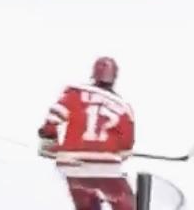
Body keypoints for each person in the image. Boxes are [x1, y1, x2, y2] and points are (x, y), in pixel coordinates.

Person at [38, 57, 136, 210]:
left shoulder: (75, 92)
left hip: (72, 164)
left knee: (87, 204)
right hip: (105, 167)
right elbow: (126, 145)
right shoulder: (123, 107)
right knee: (125, 202)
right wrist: (119, 154)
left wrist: (49, 141)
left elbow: (54, 117)